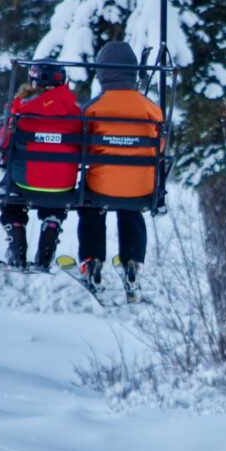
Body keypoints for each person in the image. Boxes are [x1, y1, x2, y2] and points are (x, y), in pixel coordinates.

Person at [77, 40, 163, 300]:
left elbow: (81, 147)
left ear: (102, 72)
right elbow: (160, 145)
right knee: (131, 207)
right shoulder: (150, 108)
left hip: (103, 184)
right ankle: (132, 263)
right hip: (141, 186)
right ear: (133, 71)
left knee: (91, 207)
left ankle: (92, 261)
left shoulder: (93, 108)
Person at [0, 61, 81, 269]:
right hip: (62, 184)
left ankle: (16, 234)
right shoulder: (76, 112)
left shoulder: (19, 108)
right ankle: (51, 224)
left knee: (10, 192)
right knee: (53, 189)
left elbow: (5, 143)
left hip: (24, 181)